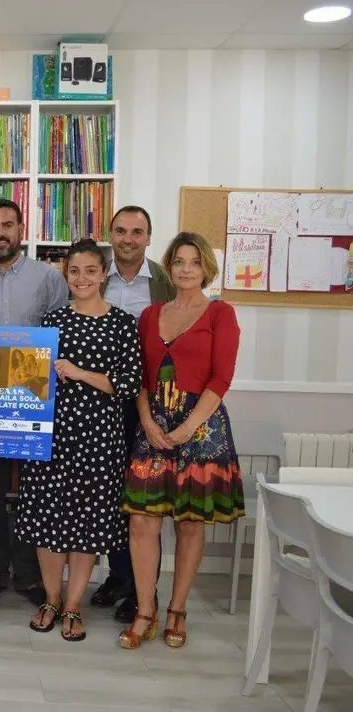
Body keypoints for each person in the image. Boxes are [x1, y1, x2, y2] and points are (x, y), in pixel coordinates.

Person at [118, 232, 245, 651]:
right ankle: (145, 611)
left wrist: (187, 427)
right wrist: (146, 421)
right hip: (153, 425)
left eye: (194, 261)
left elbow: (221, 378)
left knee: (189, 523)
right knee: (142, 521)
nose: (186, 269)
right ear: (168, 267)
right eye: (178, 261)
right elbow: (139, 377)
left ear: (207, 267)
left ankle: (177, 609)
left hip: (201, 429)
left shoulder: (221, 313)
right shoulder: (150, 315)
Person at [15, 239, 142, 642]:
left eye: (90, 270)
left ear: (103, 274)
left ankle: (73, 605)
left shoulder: (122, 323)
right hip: (51, 437)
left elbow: (129, 384)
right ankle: (51, 600)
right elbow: (27, 378)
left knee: (88, 524)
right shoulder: (50, 322)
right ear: (65, 275)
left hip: (100, 441)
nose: (82, 278)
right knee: (48, 521)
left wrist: (80, 372)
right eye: (74, 271)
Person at [0, 198, 69, 606]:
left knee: (33, 492)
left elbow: (63, 331)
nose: (0, 233)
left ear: (21, 230)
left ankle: (29, 576)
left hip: (33, 400)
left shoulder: (48, 277)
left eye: (7, 225)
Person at [94, 205, 176, 623]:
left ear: (148, 237)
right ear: (110, 234)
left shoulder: (166, 282)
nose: (128, 239)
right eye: (121, 231)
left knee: (143, 498)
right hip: (97, 400)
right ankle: (118, 577)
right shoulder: (94, 275)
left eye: (137, 232)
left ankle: (145, 591)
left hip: (148, 404)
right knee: (110, 492)